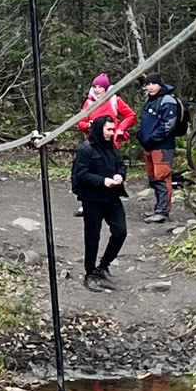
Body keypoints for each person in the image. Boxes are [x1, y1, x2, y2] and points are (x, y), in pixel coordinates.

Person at [70, 111, 128, 286]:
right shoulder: (85, 149)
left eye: (113, 129)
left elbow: (121, 165)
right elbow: (81, 175)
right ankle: (89, 273)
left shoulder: (112, 148)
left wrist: (120, 175)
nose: (112, 133)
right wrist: (102, 181)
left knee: (120, 232)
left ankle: (104, 265)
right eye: (109, 129)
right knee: (92, 238)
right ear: (99, 129)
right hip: (92, 199)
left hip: (112, 198)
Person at [134, 74, 185, 221]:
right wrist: (141, 136)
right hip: (149, 146)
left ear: (160, 85)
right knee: (153, 179)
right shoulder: (150, 100)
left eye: (153, 84)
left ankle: (162, 211)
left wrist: (152, 138)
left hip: (162, 146)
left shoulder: (167, 101)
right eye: (147, 84)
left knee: (162, 177)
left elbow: (168, 124)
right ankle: (159, 208)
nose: (150, 87)